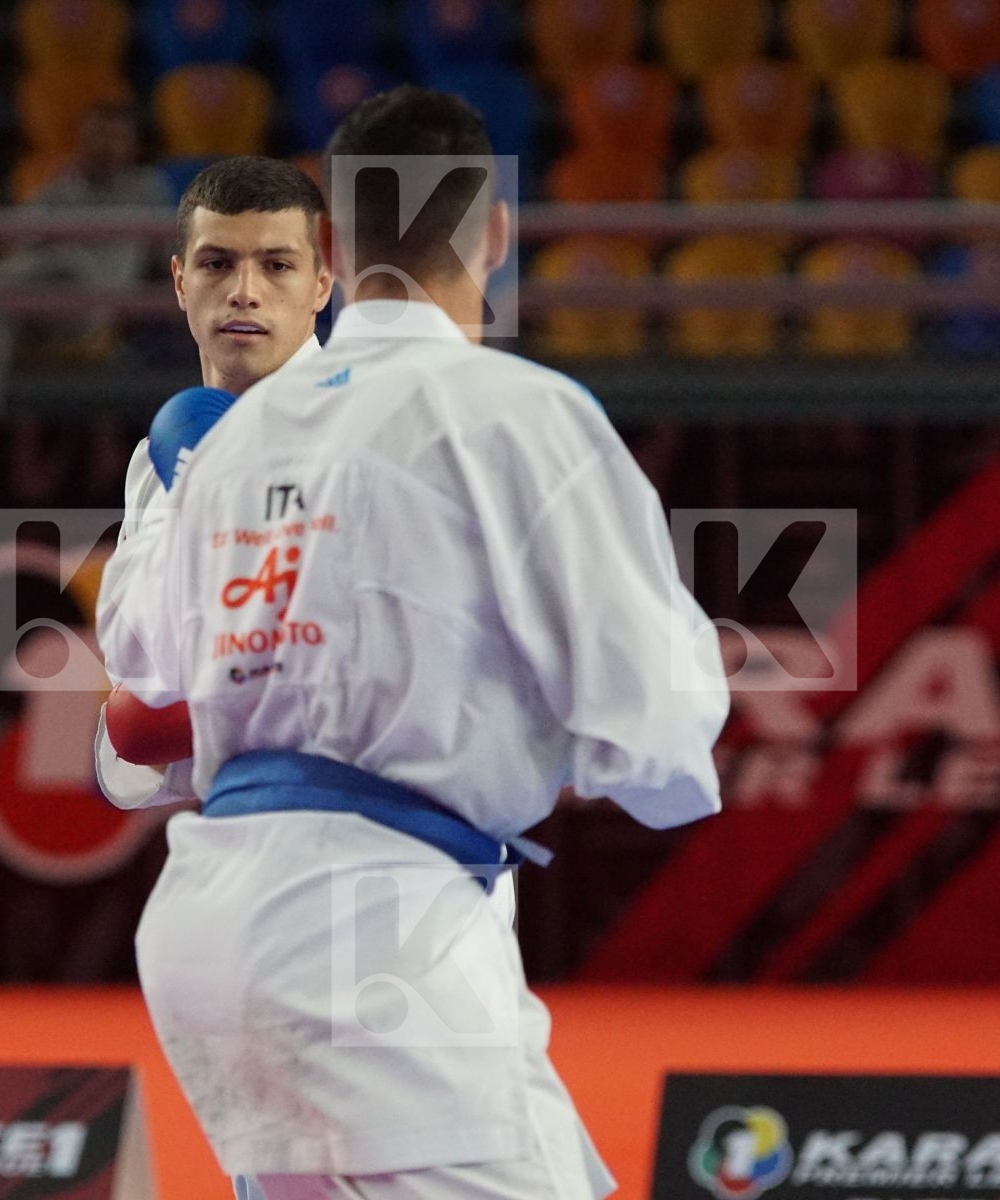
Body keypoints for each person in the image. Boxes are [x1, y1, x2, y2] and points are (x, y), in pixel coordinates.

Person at [101, 87, 728, 1198]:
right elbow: (661, 735)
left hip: (218, 924)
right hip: (374, 946)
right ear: (497, 233)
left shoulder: (233, 443)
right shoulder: (512, 412)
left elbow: (141, 697)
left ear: (331, 245)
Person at [93, 156, 334, 809]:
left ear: (321, 284)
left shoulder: (380, 430)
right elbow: (135, 730)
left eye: (277, 265)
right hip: (250, 847)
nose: (244, 291)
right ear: (179, 280)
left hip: (406, 862)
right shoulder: (157, 462)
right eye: (217, 263)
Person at [0, 100, 174, 415]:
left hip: (94, 308)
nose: (106, 145)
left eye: (116, 137)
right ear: (83, 140)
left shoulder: (147, 189)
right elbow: (18, 242)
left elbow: (168, 263)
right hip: (46, 304)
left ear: (132, 145)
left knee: (66, 261)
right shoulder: (60, 188)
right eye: (98, 136)